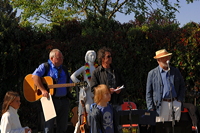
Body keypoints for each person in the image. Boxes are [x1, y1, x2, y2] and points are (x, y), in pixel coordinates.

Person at [32, 49, 72, 133]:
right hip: (49, 100)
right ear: (51, 58)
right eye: (59, 57)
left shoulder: (64, 69)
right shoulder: (45, 67)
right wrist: (42, 90)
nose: (61, 59)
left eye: (62, 57)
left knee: (63, 127)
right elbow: (34, 77)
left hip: (63, 100)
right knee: (48, 128)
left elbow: (69, 83)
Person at [146, 49, 185, 127]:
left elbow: (182, 86)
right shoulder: (152, 74)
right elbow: (148, 92)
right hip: (161, 104)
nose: (167, 59)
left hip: (175, 102)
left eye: (168, 57)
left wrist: (179, 101)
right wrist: (151, 107)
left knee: (175, 126)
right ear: (158, 60)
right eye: (164, 58)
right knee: (162, 127)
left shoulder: (175, 71)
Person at [70, 50, 97, 133]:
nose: (92, 57)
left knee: (95, 114)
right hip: (87, 93)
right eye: (90, 55)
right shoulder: (85, 68)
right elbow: (73, 76)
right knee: (87, 115)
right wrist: (82, 84)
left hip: (95, 93)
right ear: (87, 57)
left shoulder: (97, 68)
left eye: (94, 55)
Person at [90, 47, 125, 111]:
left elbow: (123, 82)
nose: (110, 58)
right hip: (103, 105)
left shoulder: (116, 70)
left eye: (111, 56)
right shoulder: (97, 72)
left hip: (116, 102)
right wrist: (106, 91)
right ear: (102, 59)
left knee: (117, 120)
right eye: (108, 56)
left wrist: (119, 88)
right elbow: (93, 89)